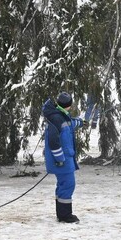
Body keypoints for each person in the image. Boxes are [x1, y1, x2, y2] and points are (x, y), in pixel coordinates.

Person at [42, 91, 83, 224]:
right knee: (68, 185)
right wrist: (59, 159)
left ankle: (62, 214)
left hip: (65, 159)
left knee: (63, 185)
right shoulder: (57, 118)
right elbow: (54, 142)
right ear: (68, 105)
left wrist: (82, 123)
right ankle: (65, 216)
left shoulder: (60, 115)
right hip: (62, 160)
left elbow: (70, 123)